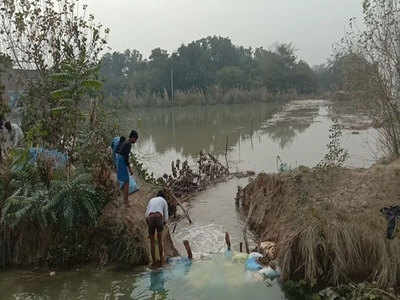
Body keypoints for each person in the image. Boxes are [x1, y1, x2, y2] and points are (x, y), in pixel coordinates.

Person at [145, 190, 169, 267]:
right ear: (163, 196)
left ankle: (154, 261)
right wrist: (163, 224)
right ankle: (162, 260)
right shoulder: (164, 201)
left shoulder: (151, 200)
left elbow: (146, 216)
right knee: (159, 241)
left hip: (150, 217)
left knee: (152, 242)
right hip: (159, 217)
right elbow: (166, 218)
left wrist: (149, 227)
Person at [116, 130, 138, 207]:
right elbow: (126, 158)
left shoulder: (126, 142)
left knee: (122, 179)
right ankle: (126, 202)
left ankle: (120, 196)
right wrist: (130, 169)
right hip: (122, 161)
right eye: (135, 139)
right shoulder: (128, 144)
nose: (135, 141)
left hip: (119, 160)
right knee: (126, 182)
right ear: (132, 137)